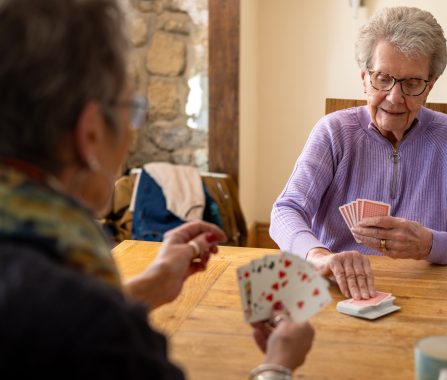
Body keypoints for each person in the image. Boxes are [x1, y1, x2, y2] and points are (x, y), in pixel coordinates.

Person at [0, 0, 313, 378]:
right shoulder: (95, 326)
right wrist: (277, 364)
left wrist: (150, 285)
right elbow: (72, 325)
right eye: (132, 109)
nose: (133, 132)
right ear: (91, 134)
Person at [270, 6, 447, 301]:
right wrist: (318, 256)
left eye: (411, 83)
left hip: (427, 295)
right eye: (383, 78)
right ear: (365, 78)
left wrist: (429, 244)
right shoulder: (332, 132)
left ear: (429, 86)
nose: (394, 98)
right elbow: (285, 211)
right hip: (337, 290)